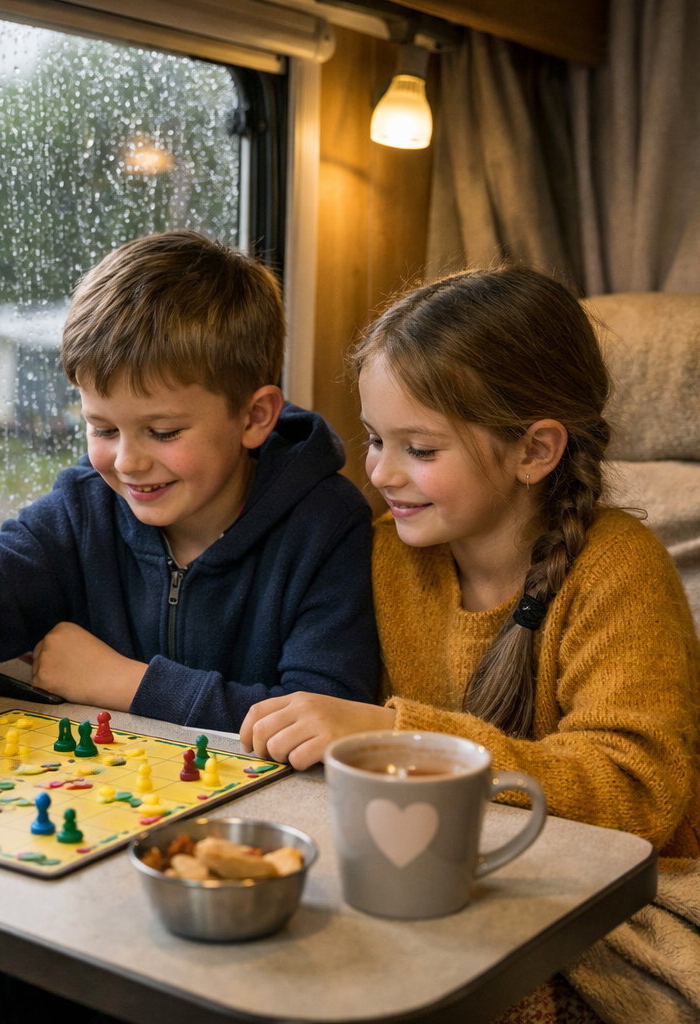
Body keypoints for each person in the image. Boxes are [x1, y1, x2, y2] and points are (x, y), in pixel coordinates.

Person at [240, 266, 700, 1022]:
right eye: (376, 439)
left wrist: (401, 734)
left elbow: (637, 792)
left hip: (615, 897)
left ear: (534, 451)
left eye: (419, 449)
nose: (381, 471)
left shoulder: (619, 570)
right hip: (460, 874)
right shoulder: (393, 555)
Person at [0, 230, 378, 757]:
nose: (126, 462)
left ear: (255, 416)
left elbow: (321, 718)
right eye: (103, 429)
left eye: (163, 432)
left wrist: (125, 683)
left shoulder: (327, 525)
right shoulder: (85, 507)